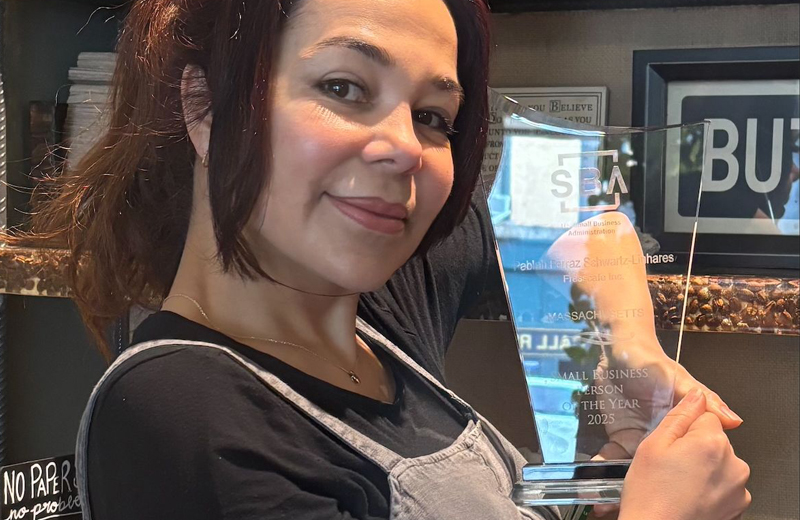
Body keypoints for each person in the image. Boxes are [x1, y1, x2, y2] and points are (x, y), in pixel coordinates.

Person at [21, 0, 750, 518]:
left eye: (433, 115)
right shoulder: (184, 418)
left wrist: (624, 359)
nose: (406, 145)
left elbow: (574, 219)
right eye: (343, 87)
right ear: (206, 108)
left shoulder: (379, 310)